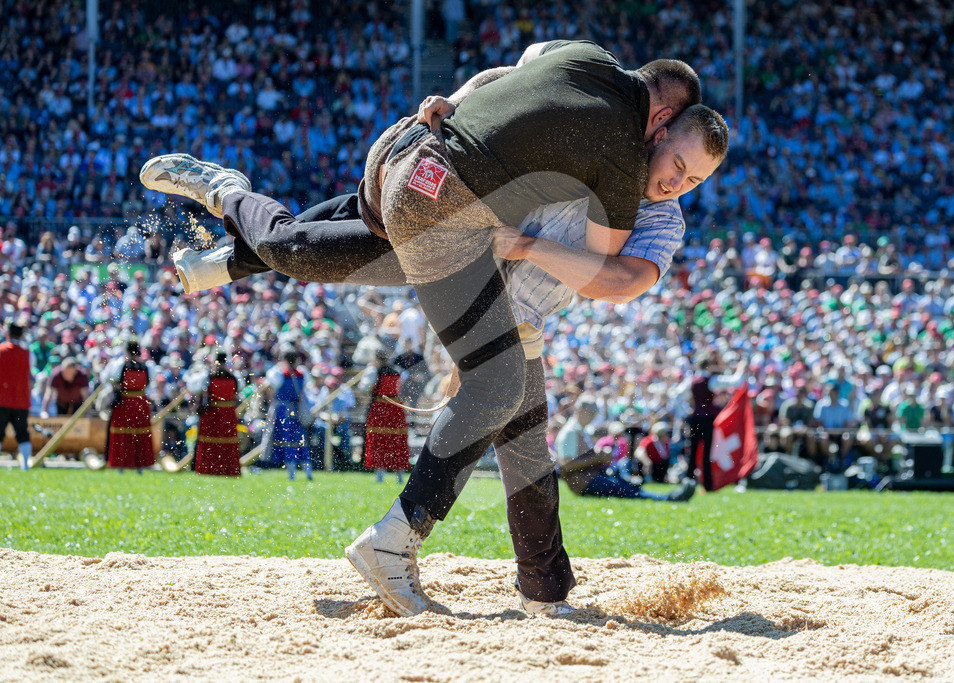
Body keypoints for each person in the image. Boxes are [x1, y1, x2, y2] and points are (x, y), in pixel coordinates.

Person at [141, 46, 716, 616]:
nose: (677, 184)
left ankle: (542, 591)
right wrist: (463, 101)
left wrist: (532, 245)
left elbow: (622, 280)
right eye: (678, 167)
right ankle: (230, 223)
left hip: (503, 291)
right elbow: (523, 73)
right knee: (305, 252)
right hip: (464, 241)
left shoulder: (655, 208)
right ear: (658, 127)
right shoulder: (598, 133)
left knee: (524, 441)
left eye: (694, 181)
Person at [557, 402, 695, 502]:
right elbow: (566, 465)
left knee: (629, 485)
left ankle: (670, 496)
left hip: (591, 477)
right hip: (584, 483)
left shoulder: (579, 430)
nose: (593, 417)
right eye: (591, 413)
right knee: (626, 489)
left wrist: (599, 456)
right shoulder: (570, 432)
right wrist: (598, 457)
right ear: (581, 410)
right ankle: (669, 498)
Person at [682, 353, 748, 489]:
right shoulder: (712, 380)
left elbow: (676, 394)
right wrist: (741, 367)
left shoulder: (691, 380)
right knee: (707, 452)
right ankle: (707, 484)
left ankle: (688, 481)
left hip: (694, 418)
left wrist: (686, 411)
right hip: (707, 419)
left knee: (693, 451)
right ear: (709, 366)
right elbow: (736, 381)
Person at [260, 348, 313, 481]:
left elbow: (273, 382)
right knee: (300, 440)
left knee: (287, 442)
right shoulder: (302, 373)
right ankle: (308, 472)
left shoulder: (279, 373)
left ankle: (292, 474)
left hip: (283, 411)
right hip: (297, 410)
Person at [105, 339, 155, 473]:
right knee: (139, 435)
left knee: (123, 434)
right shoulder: (147, 366)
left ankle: (121, 466)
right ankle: (139, 466)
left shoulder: (121, 365)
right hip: (140, 403)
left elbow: (110, 379)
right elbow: (149, 385)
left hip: (125, 402)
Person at [361, 348, 410, 483]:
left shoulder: (373, 371)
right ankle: (399, 476)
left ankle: (380, 476)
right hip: (396, 407)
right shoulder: (398, 370)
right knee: (397, 440)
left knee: (379, 441)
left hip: (380, 407)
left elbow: (364, 388)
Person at [193, 351, 241, 476]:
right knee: (226, 442)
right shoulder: (234, 377)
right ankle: (228, 469)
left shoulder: (208, 377)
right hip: (228, 412)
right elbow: (237, 392)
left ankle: (208, 469)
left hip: (213, 413)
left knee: (211, 442)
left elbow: (197, 390)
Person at [0, 321, 32, 470]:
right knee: (22, 433)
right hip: (21, 400)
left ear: (8, 334)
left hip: (2, 399)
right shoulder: (28, 353)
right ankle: (25, 465)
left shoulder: (1, 350)